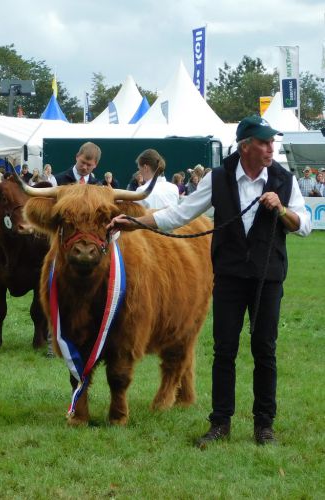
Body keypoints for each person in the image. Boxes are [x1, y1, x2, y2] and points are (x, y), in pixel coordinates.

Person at [108, 115, 311, 447]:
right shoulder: (219, 178)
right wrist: (135, 223)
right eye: (263, 142)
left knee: (265, 350)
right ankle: (220, 423)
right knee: (224, 350)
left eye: (271, 142)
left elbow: (303, 224)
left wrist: (282, 209)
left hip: (267, 278)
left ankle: (264, 425)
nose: (270, 148)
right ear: (246, 146)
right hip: (229, 276)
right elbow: (181, 213)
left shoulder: (284, 179)